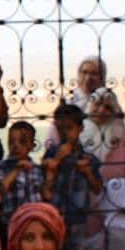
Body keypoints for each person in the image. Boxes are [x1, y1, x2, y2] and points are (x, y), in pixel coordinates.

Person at [42, 102, 104, 241]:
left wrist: (88, 172)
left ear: (80, 128)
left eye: (69, 128)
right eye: (60, 129)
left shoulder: (88, 158)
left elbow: (98, 189)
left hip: (78, 218)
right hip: (54, 217)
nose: (65, 133)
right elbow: (45, 190)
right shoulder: (51, 154)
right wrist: (57, 159)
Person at [0, 120, 47, 225]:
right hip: (11, 223)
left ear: (32, 146)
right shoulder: (1, 168)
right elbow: (0, 193)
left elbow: (45, 194)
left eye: (22, 142)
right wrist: (17, 170)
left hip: (34, 220)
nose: (15, 146)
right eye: (11, 142)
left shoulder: (36, 169)